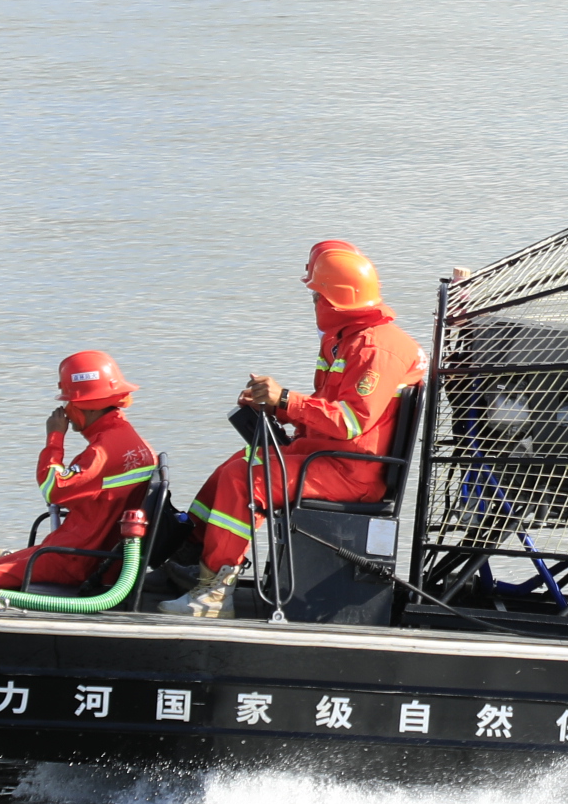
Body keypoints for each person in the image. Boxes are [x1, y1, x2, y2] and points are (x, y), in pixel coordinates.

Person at [167, 240, 424, 617]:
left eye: (317, 298)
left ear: (336, 303)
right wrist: (276, 407)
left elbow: (349, 421)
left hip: (352, 472)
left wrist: (285, 399)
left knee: (244, 478)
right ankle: (193, 553)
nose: (314, 305)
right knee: (236, 464)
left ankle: (213, 593)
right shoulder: (349, 341)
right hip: (333, 458)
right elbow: (327, 409)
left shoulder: (376, 350)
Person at [0, 350, 159, 598]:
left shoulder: (102, 452)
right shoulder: (130, 440)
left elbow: (53, 490)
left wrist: (55, 437)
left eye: (68, 402)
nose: (65, 411)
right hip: (94, 555)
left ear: (84, 405)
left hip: (75, 558)